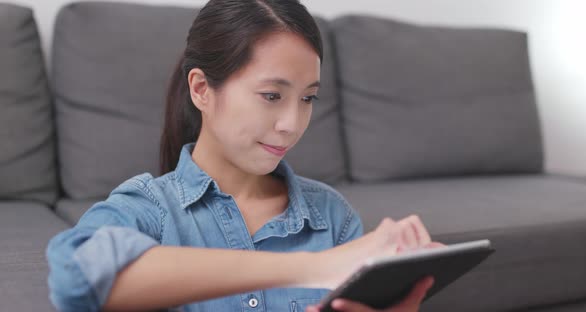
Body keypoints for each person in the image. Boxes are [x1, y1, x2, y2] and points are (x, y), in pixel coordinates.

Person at [46, 0, 443, 311]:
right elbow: (75, 277)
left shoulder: (333, 219)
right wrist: (319, 268)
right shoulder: (151, 210)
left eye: (308, 98)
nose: (292, 123)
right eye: (272, 96)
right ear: (201, 89)